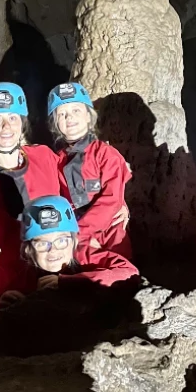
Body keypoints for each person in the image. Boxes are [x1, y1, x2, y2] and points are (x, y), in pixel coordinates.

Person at [0, 195, 139, 318]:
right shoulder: (27, 277)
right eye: (42, 244)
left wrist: (68, 282)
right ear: (28, 251)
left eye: (62, 241)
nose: (53, 251)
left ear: (73, 242)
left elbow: (128, 272)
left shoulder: (83, 255)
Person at [0, 82, 64, 251]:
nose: (6, 126)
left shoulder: (43, 156)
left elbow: (77, 185)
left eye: (13, 118)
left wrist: (117, 198)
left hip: (61, 249)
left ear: (22, 123)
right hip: (16, 260)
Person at [48, 82, 133, 261]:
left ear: (88, 116)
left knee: (119, 271)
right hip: (75, 234)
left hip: (109, 232)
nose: (69, 117)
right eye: (62, 114)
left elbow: (111, 199)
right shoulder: (56, 161)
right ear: (56, 123)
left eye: (76, 111)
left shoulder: (106, 155)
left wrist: (80, 234)